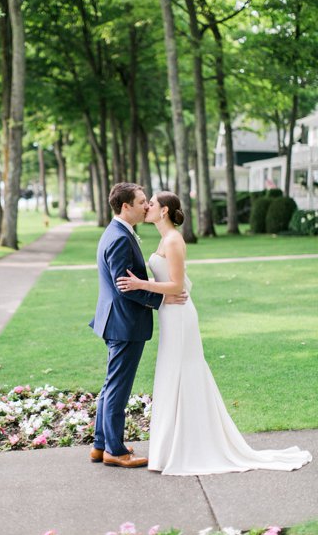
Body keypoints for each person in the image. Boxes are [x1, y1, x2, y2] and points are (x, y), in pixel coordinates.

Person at [116, 192, 312, 475]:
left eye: (152, 204)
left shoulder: (174, 240)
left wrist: (140, 285)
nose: (147, 206)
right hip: (170, 315)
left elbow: (177, 287)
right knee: (172, 373)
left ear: (164, 211)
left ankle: (191, 446)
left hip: (180, 316)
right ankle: (170, 447)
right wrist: (145, 283)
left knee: (184, 372)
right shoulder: (163, 238)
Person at [88, 183, 186, 468]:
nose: (146, 206)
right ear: (126, 206)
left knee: (110, 385)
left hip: (117, 320)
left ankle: (100, 444)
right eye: (142, 201)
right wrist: (162, 298)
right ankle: (115, 450)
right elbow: (125, 288)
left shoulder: (117, 231)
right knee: (118, 387)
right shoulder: (119, 238)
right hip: (124, 323)